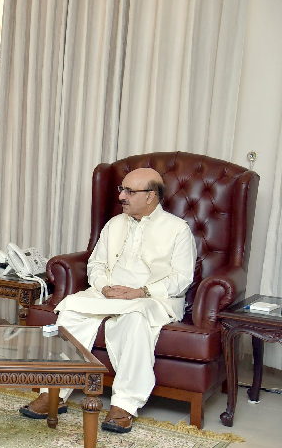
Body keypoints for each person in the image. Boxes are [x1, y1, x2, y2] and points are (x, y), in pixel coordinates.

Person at [19, 167, 196, 433]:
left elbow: (183, 278)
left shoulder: (177, 229)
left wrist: (141, 291)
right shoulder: (114, 224)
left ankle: (124, 405)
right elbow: (96, 265)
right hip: (106, 294)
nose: (122, 196)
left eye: (129, 191)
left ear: (150, 196)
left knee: (134, 321)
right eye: (121, 190)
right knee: (70, 313)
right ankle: (53, 393)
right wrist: (103, 287)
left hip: (151, 297)